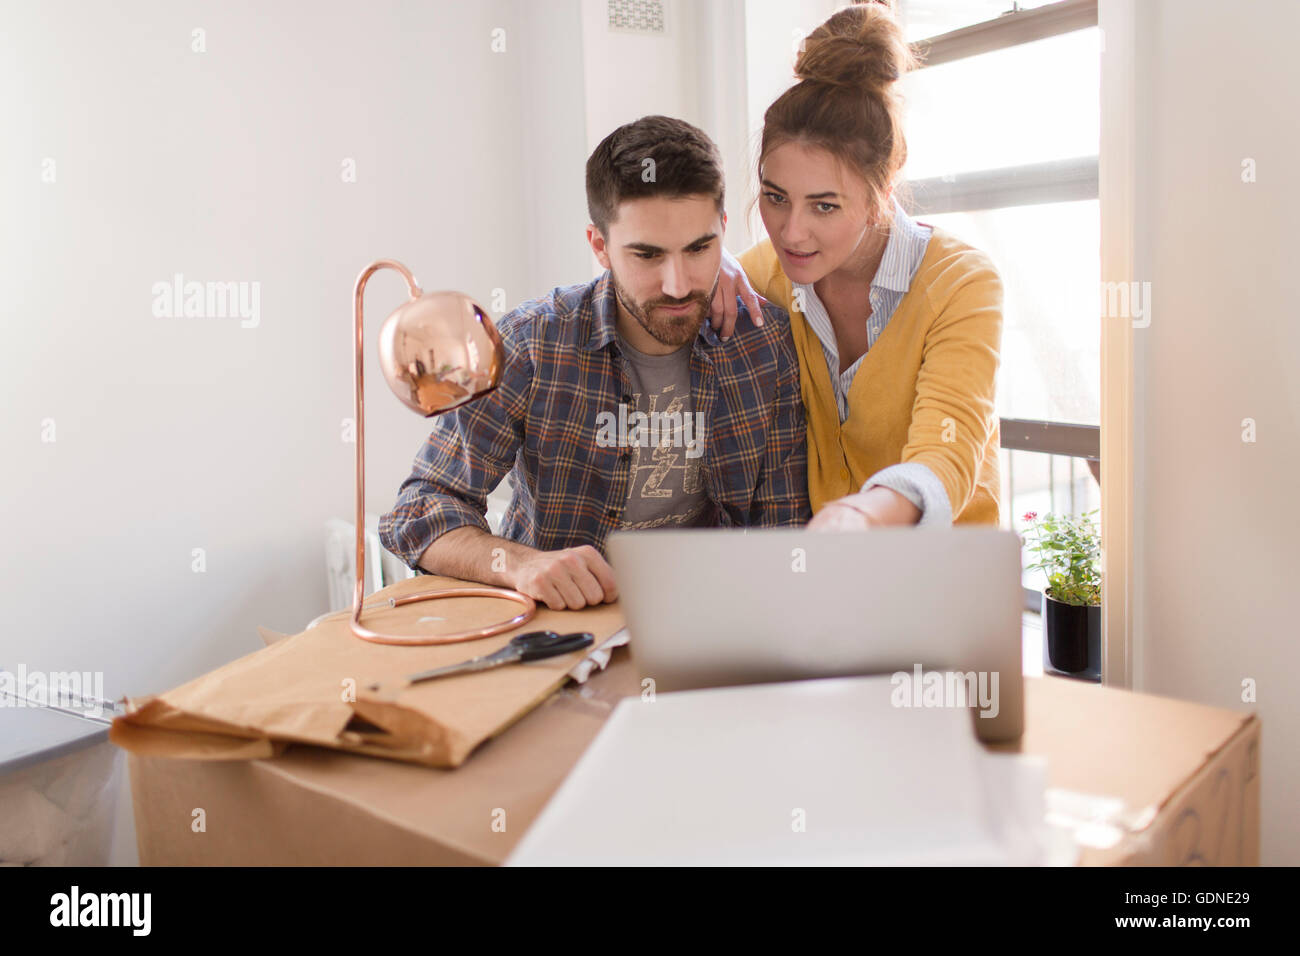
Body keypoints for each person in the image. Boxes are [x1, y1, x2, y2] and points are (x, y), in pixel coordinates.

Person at [379, 115, 810, 611]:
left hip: (712, 622)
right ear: (599, 247)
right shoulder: (534, 344)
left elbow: (785, 537)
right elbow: (419, 511)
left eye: (698, 248)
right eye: (647, 255)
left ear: (723, 233)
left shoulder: (764, 346)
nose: (677, 284)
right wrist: (520, 564)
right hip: (559, 632)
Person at [711, 0, 1003, 531]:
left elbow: (947, 454)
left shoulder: (962, 283)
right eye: (776, 197)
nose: (791, 231)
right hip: (829, 579)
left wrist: (862, 515)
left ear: (879, 198)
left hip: (947, 582)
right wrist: (715, 262)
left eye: (825, 205)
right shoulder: (762, 277)